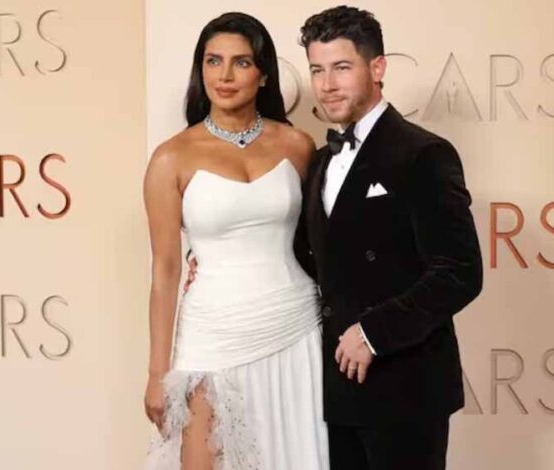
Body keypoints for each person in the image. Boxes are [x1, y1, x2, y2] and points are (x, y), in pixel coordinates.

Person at [142, 12, 328, 470]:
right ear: (200, 70)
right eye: (213, 61)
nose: (224, 75)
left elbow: (319, 242)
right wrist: (157, 372)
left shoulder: (298, 146)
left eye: (241, 62)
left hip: (295, 324)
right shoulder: (170, 158)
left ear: (263, 74)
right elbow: (165, 269)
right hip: (212, 331)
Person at [299, 6, 483, 470]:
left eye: (342, 68)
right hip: (338, 388)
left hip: (406, 387)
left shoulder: (424, 154)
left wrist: (373, 333)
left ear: (377, 67)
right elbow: (309, 257)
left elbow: (459, 272)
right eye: (317, 70)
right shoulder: (319, 162)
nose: (327, 85)